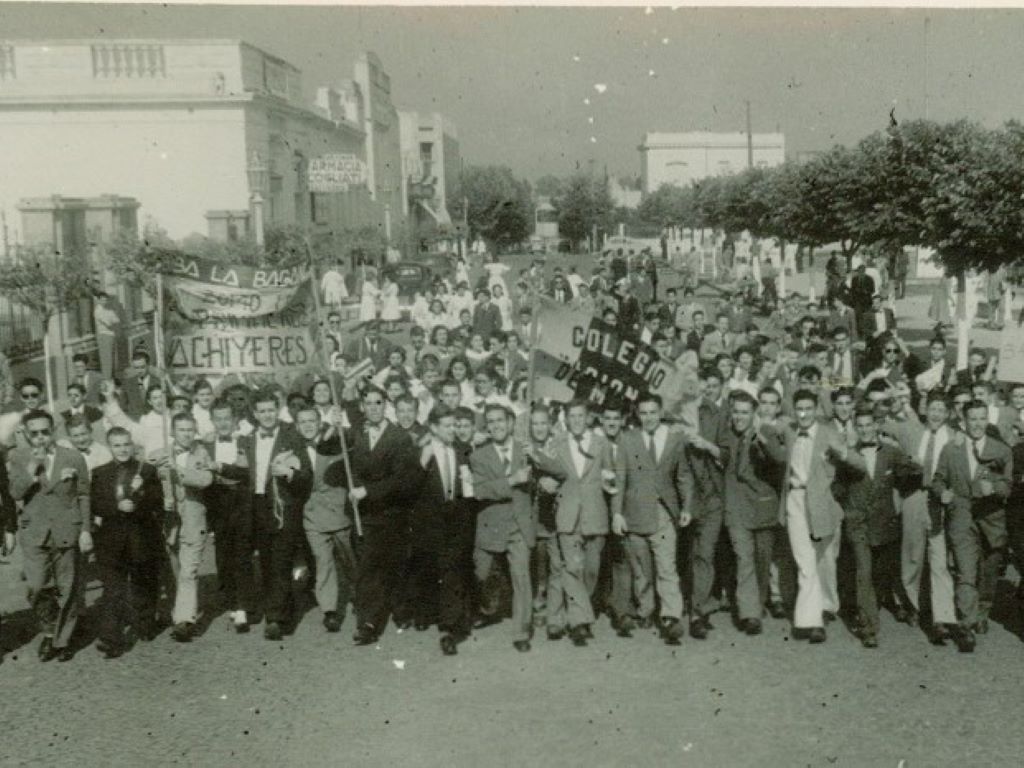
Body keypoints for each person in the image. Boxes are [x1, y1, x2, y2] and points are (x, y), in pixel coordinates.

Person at [767, 388, 862, 644]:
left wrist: (841, 452)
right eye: (800, 409)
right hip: (795, 501)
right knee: (805, 560)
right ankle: (811, 621)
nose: (804, 413)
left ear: (816, 410)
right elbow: (770, 430)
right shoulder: (788, 430)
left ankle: (826, 607)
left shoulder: (829, 434)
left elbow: (859, 463)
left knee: (824, 560)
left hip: (821, 503)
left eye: (809, 409)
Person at [330, 386, 418, 646]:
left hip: (393, 513)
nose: (374, 408)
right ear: (362, 407)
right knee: (368, 568)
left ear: (385, 405)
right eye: (368, 403)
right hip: (365, 515)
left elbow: (400, 480)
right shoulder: (356, 432)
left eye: (378, 403)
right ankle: (368, 623)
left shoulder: (399, 437)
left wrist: (367, 490)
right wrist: (333, 425)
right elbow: (326, 447)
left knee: (395, 565)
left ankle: (400, 609)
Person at [7, 409, 92, 662]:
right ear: (26, 434)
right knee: (36, 587)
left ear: (53, 431)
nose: (41, 437)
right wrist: (33, 467)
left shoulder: (73, 457)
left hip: (67, 528)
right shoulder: (19, 457)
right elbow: (15, 494)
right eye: (35, 433)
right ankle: (50, 629)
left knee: (68, 588)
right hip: (35, 532)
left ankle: (62, 639)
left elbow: (84, 494)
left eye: (45, 431)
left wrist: (86, 529)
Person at [610, 393, 693, 646]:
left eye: (653, 413)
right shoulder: (627, 439)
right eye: (643, 413)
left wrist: (686, 507)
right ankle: (645, 611)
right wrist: (617, 513)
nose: (648, 418)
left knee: (667, 566)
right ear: (637, 414)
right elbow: (619, 479)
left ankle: (671, 618)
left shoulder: (675, 438)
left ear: (661, 412)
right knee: (642, 569)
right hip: (634, 513)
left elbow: (683, 477)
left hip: (664, 513)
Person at [528, 400, 612, 647]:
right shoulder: (557, 443)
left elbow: (610, 472)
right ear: (566, 419)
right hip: (567, 514)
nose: (576, 420)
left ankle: (577, 612)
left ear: (587, 418)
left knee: (591, 570)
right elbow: (547, 469)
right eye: (571, 416)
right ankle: (579, 622)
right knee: (571, 568)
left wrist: (609, 480)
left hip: (595, 514)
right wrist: (544, 480)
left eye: (580, 416)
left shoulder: (601, 443)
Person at [931, 399, 1013, 653]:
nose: (977, 424)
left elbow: (1008, 486)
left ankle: (982, 611)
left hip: (992, 518)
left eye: (981, 418)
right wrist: (942, 492)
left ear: (987, 420)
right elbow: (937, 480)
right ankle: (966, 626)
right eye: (972, 419)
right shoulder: (950, 449)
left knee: (988, 572)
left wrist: (995, 488)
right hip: (962, 515)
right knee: (965, 572)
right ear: (963, 421)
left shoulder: (1001, 450)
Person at [837, 405, 918, 648]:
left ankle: (883, 606)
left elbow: (912, 473)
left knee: (879, 574)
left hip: (884, 524)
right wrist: (849, 507)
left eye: (868, 425)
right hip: (858, 524)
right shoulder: (849, 455)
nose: (864, 430)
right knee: (864, 572)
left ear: (876, 426)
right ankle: (869, 627)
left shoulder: (892, 453)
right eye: (859, 426)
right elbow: (837, 488)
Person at [240, 388, 313, 641]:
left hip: (283, 506)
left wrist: (289, 474)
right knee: (268, 563)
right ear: (254, 414)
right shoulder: (247, 440)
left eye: (271, 410)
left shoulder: (291, 437)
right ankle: (284, 606)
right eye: (262, 411)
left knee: (281, 561)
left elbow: (306, 476)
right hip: (257, 506)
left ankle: (275, 619)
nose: (267, 415)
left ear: (278, 409)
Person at [90, 426, 164, 657]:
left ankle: (145, 623)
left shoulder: (147, 470)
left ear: (132, 445)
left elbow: (157, 502)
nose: (122, 449)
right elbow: (96, 504)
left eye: (126, 444)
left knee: (143, 584)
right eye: (117, 445)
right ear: (110, 447)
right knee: (113, 590)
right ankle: (111, 638)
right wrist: (116, 506)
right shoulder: (100, 473)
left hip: (141, 537)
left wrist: (141, 495)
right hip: (111, 541)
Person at [718, 391, 786, 636]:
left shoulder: (766, 433)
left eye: (745, 412)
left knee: (762, 560)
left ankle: (758, 602)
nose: (739, 417)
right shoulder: (726, 435)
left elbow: (780, 459)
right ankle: (750, 614)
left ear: (754, 414)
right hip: (736, 508)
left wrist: (761, 440)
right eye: (736, 411)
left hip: (763, 507)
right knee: (743, 559)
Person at [470, 404, 535, 652]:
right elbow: (480, 490)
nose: (496, 425)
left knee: (521, 577)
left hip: (519, 524)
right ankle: (487, 608)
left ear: (510, 423)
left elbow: (554, 471)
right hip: (491, 525)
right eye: (491, 422)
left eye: (501, 420)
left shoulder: (526, 450)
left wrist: (538, 457)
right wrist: (511, 480)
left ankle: (521, 632)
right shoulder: (479, 455)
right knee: (480, 574)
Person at [150, 412, 214, 643]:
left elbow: (205, 480)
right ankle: (176, 611)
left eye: (190, 430)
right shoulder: (158, 455)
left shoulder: (202, 453)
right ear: (172, 432)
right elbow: (146, 484)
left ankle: (184, 621)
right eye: (181, 430)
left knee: (189, 571)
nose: (186, 434)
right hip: (169, 524)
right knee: (172, 571)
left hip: (194, 521)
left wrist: (178, 469)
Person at [295, 405, 355, 634]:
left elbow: (349, 441)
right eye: (303, 422)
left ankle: (360, 596)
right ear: (297, 426)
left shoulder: (333, 441)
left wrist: (341, 426)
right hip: (312, 516)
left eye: (312, 421)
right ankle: (329, 610)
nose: (308, 425)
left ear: (320, 423)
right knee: (323, 562)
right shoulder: (295, 448)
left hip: (338, 513)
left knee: (350, 561)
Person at [203, 398, 256, 633]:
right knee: (223, 557)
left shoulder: (245, 441)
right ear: (212, 420)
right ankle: (232, 600)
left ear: (235, 420)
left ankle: (244, 606)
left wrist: (221, 468)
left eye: (227, 418)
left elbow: (245, 472)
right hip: (217, 505)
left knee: (242, 555)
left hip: (241, 503)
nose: (223, 423)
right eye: (218, 419)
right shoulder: (204, 445)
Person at [93, 292, 124, 380]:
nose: (104, 302)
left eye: (105, 300)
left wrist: (112, 320)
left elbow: (117, 320)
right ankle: (107, 379)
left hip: (111, 336)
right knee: (106, 359)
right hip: (104, 336)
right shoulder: (97, 311)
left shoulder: (108, 310)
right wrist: (111, 320)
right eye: (102, 300)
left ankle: (112, 378)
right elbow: (109, 323)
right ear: (98, 300)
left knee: (112, 358)